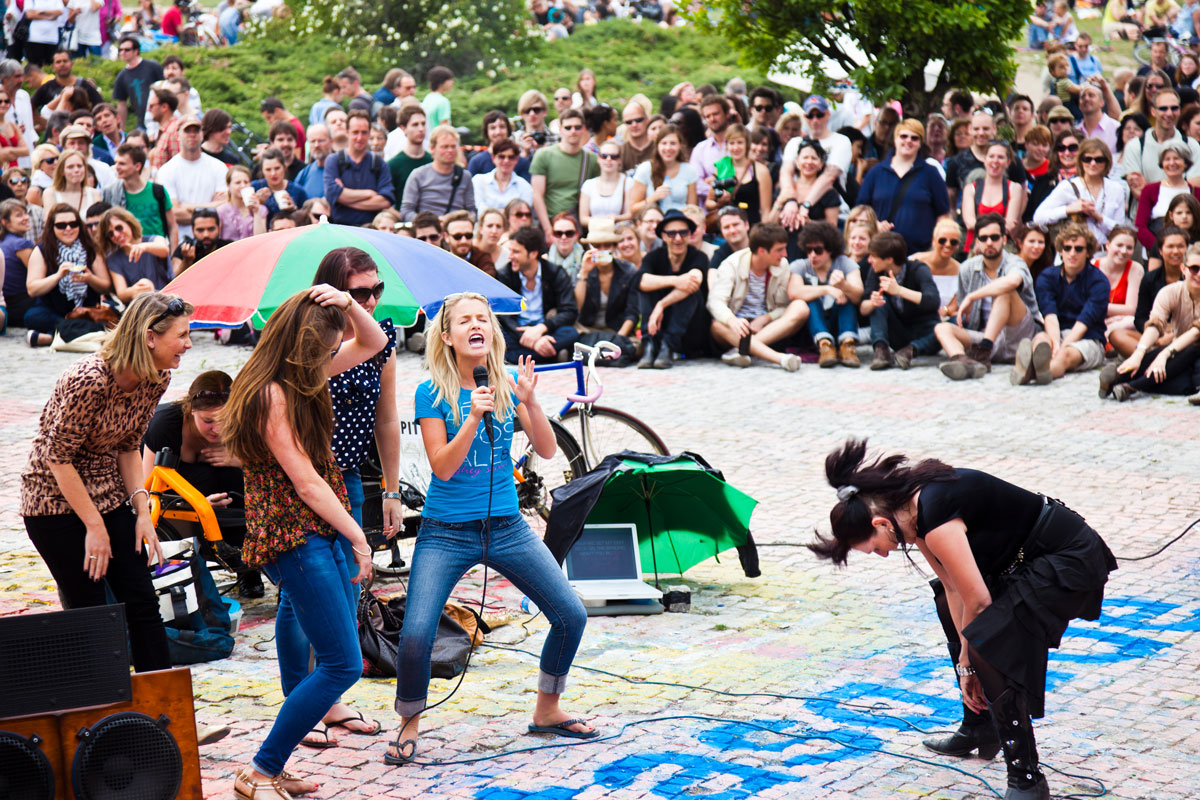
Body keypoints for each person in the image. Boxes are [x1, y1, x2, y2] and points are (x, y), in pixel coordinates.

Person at [809, 439, 1117, 800]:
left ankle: (1026, 780)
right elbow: (955, 590)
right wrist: (963, 667)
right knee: (945, 602)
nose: (883, 555)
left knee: (988, 641)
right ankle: (979, 725)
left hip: (1066, 557)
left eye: (875, 547)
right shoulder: (909, 515)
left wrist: (970, 662)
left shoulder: (934, 515)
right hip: (1021, 560)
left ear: (880, 522)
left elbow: (979, 601)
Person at [386, 291, 591, 766]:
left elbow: (545, 451)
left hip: (507, 527)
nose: (477, 325)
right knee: (417, 634)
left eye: (484, 319)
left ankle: (547, 709)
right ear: (447, 335)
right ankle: (410, 720)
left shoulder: (504, 384)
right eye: (465, 320)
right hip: (445, 531)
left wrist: (530, 403)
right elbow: (443, 467)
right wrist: (474, 415)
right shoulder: (430, 393)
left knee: (570, 615)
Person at [223, 286, 384, 799]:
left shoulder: (299, 377)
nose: (334, 357)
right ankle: (261, 769)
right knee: (341, 663)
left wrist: (346, 302)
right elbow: (306, 482)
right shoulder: (272, 391)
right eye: (327, 348)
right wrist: (359, 536)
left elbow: (374, 341)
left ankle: (273, 764)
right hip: (296, 535)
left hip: (317, 529)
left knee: (340, 656)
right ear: (305, 347)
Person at [20, 290, 191, 674]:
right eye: (181, 335)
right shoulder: (90, 380)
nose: (188, 344)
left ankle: (161, 708)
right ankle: (105, 717)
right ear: (150, 336)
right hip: (52, 501)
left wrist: (142, 511)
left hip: (107, 493)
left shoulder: (155, 379)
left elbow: (129, 448)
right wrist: (94, 527)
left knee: (143, 601)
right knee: (94, 612)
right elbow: (57, 458)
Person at [140, 370, 262, 597]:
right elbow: (147, 491)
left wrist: (243, 460)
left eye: (224, 420)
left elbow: (273, 469)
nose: (216, 429)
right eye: (208, 421)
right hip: (177, 499)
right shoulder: (165, 425)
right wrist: (195, 505)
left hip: (227, 494)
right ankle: (191, 566)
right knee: (205, 478)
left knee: (234, 477)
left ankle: (248, 566)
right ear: (191, 409)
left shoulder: (246, 421)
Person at [932, 214, 1044, 380]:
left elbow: (1013, 281)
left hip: (1020, 333)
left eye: (994, 237)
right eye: (983, 238)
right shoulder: (967, 268)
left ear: (1004, 240)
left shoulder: (1015, 262)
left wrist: (973, 296)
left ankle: (983, 352)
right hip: (984, 334)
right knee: (941, 328)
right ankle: (963, 362)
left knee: (1005, 291)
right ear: (977, 242)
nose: (989, 242)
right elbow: (965, 311)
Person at [1012, 223, 1111, 386]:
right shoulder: (1047, 276)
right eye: (1067, 248)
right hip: (1056, 332)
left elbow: (1085, 321)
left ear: (1088, 253)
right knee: (1041, 340)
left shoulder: (1099, 281)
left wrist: (1061, 348)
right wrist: (1055, 343)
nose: (1072, 253)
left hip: (1088, 338)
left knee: (1064, 355)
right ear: (1060, 250)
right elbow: (1049, 314)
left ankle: (1033, 373)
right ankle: (1035, 366)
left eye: (1078, 249)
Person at [1101, 241, 1200, 400]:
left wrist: (1164, 355)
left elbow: (1195, 334)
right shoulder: (1170, 292)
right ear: (1183, 269)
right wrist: (1139, 353)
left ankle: (1128, 382)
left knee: (1192, 355)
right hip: (1178, 355)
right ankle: (1124, 377)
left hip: (1187, 352)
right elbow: (1155, 324)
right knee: (1178, 372)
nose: (1199, 274)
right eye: (1195, 269)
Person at [706, 222, 805, 371]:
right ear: (762, 251)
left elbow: (784, 306)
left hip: (768, 328)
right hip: (736, 328)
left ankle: (741, 350)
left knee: (801, 307)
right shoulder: (731, 264)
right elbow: (715, 302)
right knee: (717, 325)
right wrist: (732, 320)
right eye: (779, 250)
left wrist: (766, 318)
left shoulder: (782, 265)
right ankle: (780, 359)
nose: (785, 254)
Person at [857, 119, 951, 255]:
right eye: (903, 136)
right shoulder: (876, 173)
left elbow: (943, 214)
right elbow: (861, 210)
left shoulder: (931, 174)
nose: (908, 141)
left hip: (920, 252)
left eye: (914, 138)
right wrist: (875, 225)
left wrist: (935, 246)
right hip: (881, 251)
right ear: (895, 139)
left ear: (920, 143)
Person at [21, 202, 110, 344]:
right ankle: (91, 334)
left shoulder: (91, 248)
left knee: (111, 317)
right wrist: (58, 276)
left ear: (79, 226)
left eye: (73, 224)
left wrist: (90, 279)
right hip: (54, 310)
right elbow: (32, 289)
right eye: (61, 225)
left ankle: (51, 337)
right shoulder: (42, 250)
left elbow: (106, 286)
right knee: (32, 317)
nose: (68, 229)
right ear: (52, 227)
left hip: (87, 311)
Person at [637, 208, 708, 368]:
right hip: (657, 328)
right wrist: (675, 280)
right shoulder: (654, 256)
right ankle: (650, 346)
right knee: (647, 288)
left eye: (683, 233)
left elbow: (694, 280)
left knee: (690, 290)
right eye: (672, 234)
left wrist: (661, 305)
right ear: (663, 236)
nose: (678, 238)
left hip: (689, 332)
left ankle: (667, 346)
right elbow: (641, 281)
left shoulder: (698, 256)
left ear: (690, 234)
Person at [496, 226, 579, 364]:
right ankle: (549, 355)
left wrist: (541, 329)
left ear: (533, 253)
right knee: (498, 337)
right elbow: (503, 315)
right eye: (510, 251)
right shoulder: (505, 274)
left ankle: (524, 357)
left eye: (516, 252)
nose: (510, 256)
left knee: (571, 333)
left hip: (546, 330)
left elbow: (569, 311)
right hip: (517, 332)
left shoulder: (555, 273)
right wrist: (532, 341)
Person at [861, 231, 942, 370]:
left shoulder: (918, 269)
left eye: (873, 256)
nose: (869, 260)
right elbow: (863, 308)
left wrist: (899, 291)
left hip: (923, 330)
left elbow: (933, 301)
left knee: (947, 329)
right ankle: (881, 350)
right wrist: (872, 303)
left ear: (889, 259)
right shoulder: (876, 271)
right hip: (898, 332)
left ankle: (910, 351)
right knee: (880, 303)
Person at [788, 221, 864, 367]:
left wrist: (843, 286)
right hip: (812, 328)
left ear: (830, 249)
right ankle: (825, 345)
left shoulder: (845, 263)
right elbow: (794, 292)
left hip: (838, 320)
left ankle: (847, 345)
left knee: (845, 298)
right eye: (809, 250)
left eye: (818, 250)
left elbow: (858, 295)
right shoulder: (800, 265)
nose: (812, 255)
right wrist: (826, 289)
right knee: (810, 300)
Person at [1034, 138, 1127, 248]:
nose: (1093, 163)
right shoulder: (1068, 186)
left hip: (1104, 254)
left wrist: (1099, 217)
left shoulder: (1116, 189)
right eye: (1087, 159)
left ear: (1106, 162)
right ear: (1080, 161)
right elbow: (1038, 217)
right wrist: (1070, 209)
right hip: (1072, 253)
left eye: (1099, 159)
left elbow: (1120, 231)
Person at [779, 96, 852, 232]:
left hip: (830, 211)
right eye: (810, 116)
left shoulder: (841, 141)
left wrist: (806, 206)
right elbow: (785, 173)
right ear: (804, 117)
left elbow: (829, 176)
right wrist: (790, 200)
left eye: (819, 115)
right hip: (794, 212)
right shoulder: (795, 143)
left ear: (828, 115)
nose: (815, 120)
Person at [1120, 88, 1200, 207]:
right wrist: (1178, 189)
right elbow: (1139, 192)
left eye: (1174, 108)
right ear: (1153, 111)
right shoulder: (1135, 146)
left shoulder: (1191, 145)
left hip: (1182, 219)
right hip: (1145, 221)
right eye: (1163, 108)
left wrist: (1150, 189)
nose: (1169, 113)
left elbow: (1193, 190)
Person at [530, 108, 598, 241]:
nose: (573, 131)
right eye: (568, 127)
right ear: (560, 129)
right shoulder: (544, 155)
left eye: (577, 127)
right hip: (550, 222)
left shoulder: (591, 159)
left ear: (584, 129)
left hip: (577, 226)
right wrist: (548, 230)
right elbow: (537, 195)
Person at [156, 117, 229, 238]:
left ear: (202, 134)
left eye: (196, 131)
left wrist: (187, 206)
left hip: (214, 243)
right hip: (180, 241)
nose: (192, 135)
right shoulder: (166, 170)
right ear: (178, 135)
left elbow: (225, 207)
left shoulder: (219, 167)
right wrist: (211, 208)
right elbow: (174, 213)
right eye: (187, 131)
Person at [944, 110, 1029, 212]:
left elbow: (1023, 195)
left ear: (994, 129)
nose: (981, 133)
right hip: (968, 224)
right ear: (969, 129)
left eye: (985, 129)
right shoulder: (956, 162)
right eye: (976, 129)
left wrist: (1014, 221)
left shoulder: (1011, 159)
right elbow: (950, 203)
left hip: (1003, 223)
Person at [573, 218, 640, 347]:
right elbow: (575, 308)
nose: (602, 250)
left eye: (607, 245)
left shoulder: (628, 270)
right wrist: (584, 273)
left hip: (615, 331)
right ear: (589, 248)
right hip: (586, 329)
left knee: (635, 346)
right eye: (597, 246)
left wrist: (618, 340)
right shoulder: (581, 269)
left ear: (614, 247)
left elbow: (632, 312)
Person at [102, 143, 178, 255]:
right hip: (126, 254)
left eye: (122, 164)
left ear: (137, 166)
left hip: (156, 251)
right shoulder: (111, 193)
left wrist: (174, 254)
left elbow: (172, 226)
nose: (116, 167)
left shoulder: (157, 191)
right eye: (116, 163)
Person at [325, 110, 394, 226]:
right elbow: (331, 194)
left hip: (371, 230)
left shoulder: (378, 163)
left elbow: (386, 201)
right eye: (355, 132)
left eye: (364, 133)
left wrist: (344, 198)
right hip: (341, 229)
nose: (359, 137)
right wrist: (369, 193)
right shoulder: (334, 161)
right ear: (347, 132)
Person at [1133, 141, 1200, 252]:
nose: (1172, 163)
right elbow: (1140, 227)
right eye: (1167, 159)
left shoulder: (1196, 192)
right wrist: (1161, 249)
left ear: (1186, 163)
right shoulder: (1150, 190)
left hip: (1191, 254)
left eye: (1176, 158)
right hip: (1156, 252)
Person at [98, 205, 172, 303]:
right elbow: (121, 293)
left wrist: (144, 247)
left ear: (129, 223)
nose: (116, 235)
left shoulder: (154, 239)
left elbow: (164, 250)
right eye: (111, 234)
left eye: (119, 228)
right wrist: (137, 289)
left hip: (167, 301)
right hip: (141, 309)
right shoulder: (113, 259)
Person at [961, 141, 1027, 248]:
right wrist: (999, 225)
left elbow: (1010, 224)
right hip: (975, 246)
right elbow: (969, 222)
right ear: (984, 159)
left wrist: (981, 225)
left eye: (1000, 157)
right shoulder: (970, 188)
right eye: (991, 156)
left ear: (1008, 162)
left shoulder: (1014, 188)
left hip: (1001, 247)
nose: (995, 161)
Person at [706, 123, 772, 226]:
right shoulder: (722, 167)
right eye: (732, 143)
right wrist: (720, 203)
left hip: (751, 225)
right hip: (727, 226)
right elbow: (708, 203)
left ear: (747, 144)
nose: (735, 148)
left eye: (740, 143)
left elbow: (765, 211)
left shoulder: (760, 170)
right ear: (727, 145)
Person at [769, 137, 840, 230]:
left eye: (814, 158)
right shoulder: (784, 189)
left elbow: (832, 227)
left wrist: (809, 223)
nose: (809, 162)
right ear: (797, 162)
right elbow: (769, 225)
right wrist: (779, 202)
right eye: (805, 158)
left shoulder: (829, 193)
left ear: (821, 164)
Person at [629, 124, 697, 216]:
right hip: (654, 222)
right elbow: (633, 209)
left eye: (673, 143)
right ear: (657, 146)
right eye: (664, 143)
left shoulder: (689, 170)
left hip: (680, 222)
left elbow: (692, 209)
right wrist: (653, 198)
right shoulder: (645, 169)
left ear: (680, 146)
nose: (668, 148)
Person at [1094, 226, 1144, 344]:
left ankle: (1104, 339)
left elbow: (1131, 309)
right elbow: (1084, 304)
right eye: (1119, 245)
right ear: (1108, 245)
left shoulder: (1135, 269)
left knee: (1132, 321)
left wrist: (1100, 308)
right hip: (1094, 318)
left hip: (1121, 322)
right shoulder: (1092, 266)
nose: (1123, 251)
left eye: (1129, 248)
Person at [1024, 128, 1079, 223]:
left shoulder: (1091, 178)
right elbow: (1029, 217)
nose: (1066, 153)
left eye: (1072, 148)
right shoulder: (1043, 181)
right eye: (1061, 148)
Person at [112, 36, 163, 131]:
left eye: (127, 50)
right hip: (142, 123)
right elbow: (121, 104)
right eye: (120, 50)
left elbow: (165, 88)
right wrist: (121, 128)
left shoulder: (152, 66)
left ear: (136, 51)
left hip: (161, 119)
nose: (123, 53)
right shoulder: (121, 76)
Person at [472, 138, 533, 216]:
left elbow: (522, 214)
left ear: (517, 160)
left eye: (511, 157)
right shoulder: (479, 181)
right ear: (493, 158)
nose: (506, 161)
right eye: (501, 156)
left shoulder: (525, 186)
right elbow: (479, 210)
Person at [1, 198, 36, 328]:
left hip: (8, 308)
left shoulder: (3, 242)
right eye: (19, 215)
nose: (26, 218)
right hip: (21, 305)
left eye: (25, 213)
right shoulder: (21, 244)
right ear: (5, 222)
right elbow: (39, 276)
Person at [467, 110, 531, 180]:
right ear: (486, 131)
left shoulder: (522, 162)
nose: (498, 132)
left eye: (502, 127)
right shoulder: (476, 162)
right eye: (493, 128)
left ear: (508, 130)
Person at [385, 104, 430, 202]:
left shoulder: (433, 161)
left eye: (423, 124)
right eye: (415, 125)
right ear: (403, 128)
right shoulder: (393, 165)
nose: (421, 129)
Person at [578, 140, 629, 228]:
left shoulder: (628, 182)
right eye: (604, 156)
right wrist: (603, 221)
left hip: (620, 236)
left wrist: (616, 218)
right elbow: (583, 218)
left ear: (620, 160)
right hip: (596, 236)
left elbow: (630, 214)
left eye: (614, 156)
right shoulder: (588, 185)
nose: (608, 159)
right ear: (598, 159)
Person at [40, 148, 99, 215]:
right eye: (70, 167)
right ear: (62, 171)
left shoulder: (94, 193)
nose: (76, 170)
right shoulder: (50, 193)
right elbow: (50, 223)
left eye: (79, 166)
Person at [170, 207, 228, 275]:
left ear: (219, 228)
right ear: (192, 230)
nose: (206, 235)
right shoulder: (184, 249)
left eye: (211, 229)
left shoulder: (229, 248)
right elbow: (173, 279)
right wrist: (187, 261)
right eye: (200, 230)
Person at [252, 147, 306, 218]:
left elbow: (306, 220)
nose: (273, 173)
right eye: (268, 169)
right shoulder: (254, 188)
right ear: (262, 171)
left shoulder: (298, 191)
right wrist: (257, 204)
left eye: (277, 168)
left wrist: (294, 210)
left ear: (284, 167)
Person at [217, 164, 266, 241]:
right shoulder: (221, 211)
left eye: (246, 182)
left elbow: (262, 239)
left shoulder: (261, 209)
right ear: (228, 185)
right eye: (238, 183)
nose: (243, 186)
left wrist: (256, 212)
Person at [443, 210, 496, 277]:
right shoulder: (441, 258)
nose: (464, 241)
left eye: (468, 235)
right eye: (457, 236)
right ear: (446, 237)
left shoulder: (483, 259)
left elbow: (489, 279)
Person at [545, 211, 584, 280]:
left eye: (569, 233)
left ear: (577, 235)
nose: (563, 237)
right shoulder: (545, 261)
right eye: (558, 233)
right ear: (552, 235)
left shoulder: (585, 259)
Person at [620, 100, 654, 171]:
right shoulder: (620, 152)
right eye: (629, 122)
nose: (634, 125)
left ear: (647, 119)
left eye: (638, 120)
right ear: (624, 124)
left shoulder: (660, 149)